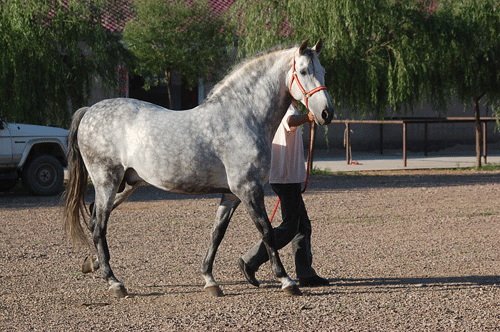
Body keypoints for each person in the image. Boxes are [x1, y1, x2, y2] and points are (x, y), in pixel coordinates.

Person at [237, 101, 329, 288]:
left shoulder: (288, 105)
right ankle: (250, 260)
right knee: (290, 227)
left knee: (302, 226)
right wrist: (308, 117)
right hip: (286, 177)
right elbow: (290, 121)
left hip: (288, 177)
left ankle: (305, 273)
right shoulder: (285, 106)